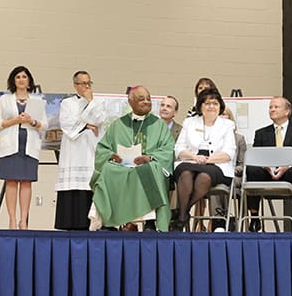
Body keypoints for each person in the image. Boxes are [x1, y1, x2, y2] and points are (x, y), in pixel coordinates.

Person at [90, 86, 175, 231]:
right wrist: (112, 155)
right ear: (131, 102)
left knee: (149, 169)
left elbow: (168, 149)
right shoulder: (118, 124)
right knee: (109, 170)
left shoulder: (159, 124)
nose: (146, 102)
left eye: (148, 99)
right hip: (122, 165)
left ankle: (150, 222)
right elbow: (103, 148)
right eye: (141, 99)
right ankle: (108, 221)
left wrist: (150, 157)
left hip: (148, 165)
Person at [245, 96, 292, 232]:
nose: (272, 110)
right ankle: (254, 217)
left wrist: (288, 167)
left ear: (287, 111)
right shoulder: (261, 133)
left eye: (276, 107)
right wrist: (267, 167)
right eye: (270, 107)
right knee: (252, 170)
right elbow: (256, 156)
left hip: (289, 172)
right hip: (267, 172)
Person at [173, 88, 236, 231]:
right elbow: (179, 149)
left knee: (204, 176)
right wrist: (194, 157)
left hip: (217, 164)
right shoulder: (189, 122)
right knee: (185, 173)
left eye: (215, 103)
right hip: (191, 160)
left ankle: (182, 214)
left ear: (220, 106)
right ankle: (183, 215)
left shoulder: (227, 125)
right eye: (207, 103)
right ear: (200, 106)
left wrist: (208, 159)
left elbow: (229, 153)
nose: (211, 106)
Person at [0, 66, 48, 229]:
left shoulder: (37, 101)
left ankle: (23, 220)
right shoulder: (5, 100)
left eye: (24, 76)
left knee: (26, 182)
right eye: (18, 77)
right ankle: (12, 219)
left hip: (29, 146)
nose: (21, 79)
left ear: (29, 80)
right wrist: (15, 120)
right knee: (11, 182)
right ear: (13, 81)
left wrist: (31, 121)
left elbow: (44, 125)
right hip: (10, 146)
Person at [54, 71, 106, 230]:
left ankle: (90, 222)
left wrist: (90, 102)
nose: (87, 86)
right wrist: (87, 125)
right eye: (83, 83)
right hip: (73, 150)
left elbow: (99, 120)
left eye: (89, 82)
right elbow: (67, 123)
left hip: (90, 149)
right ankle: (68, 223)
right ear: (75, 85)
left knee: (89, 184)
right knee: (72, 186)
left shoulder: (98, 102)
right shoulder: (67, 103)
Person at [209, 106, 247, 231]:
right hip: (214, 173)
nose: (221, 117)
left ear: (230, 118)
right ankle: (218, 219)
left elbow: (243, 164)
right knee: (214, 180)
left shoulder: (239, 139)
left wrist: (232, 170)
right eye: (218, 115)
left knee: (225, 179)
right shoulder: (208, 138)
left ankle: (224, 217)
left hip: (235, 175)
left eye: (224, 114)